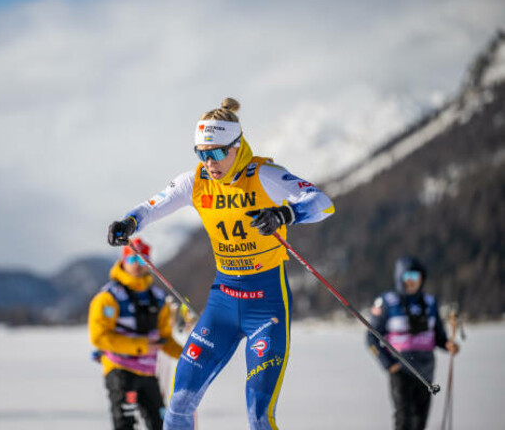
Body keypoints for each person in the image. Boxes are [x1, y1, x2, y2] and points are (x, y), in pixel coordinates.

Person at [107, 98, 335, 430]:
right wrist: (129, 222)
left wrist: (286, 213)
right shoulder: (196, 181)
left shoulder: (264, 175)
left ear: (236, 146)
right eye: (201, 153)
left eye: (215, 153)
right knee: (179, 405)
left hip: (266, 306)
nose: (209, 162)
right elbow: (153, 205)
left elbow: (323, 203)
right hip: (222, 303)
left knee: (259, 415)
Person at [88, 238, 183, 430]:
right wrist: (141, 346)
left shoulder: (158, 298)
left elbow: (165, 339)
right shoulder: (108, 297)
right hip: (120, 369)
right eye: (133, 259)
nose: (138, 265)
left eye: (143, 260)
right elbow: (99, 337)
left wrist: (188, 357)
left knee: (161, 423)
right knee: (125, 424)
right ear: (123, 261)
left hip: (148, 372)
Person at [367, 256, 460, 430]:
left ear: (422, 279)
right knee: (404, 420)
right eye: (406, 276)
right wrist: (388, 363)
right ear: (399, 278)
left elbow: (439, 336)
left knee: (420, 421)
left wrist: (448, 344)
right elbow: (371, 338)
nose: (411, 281)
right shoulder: (387, 302)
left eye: (415, 276)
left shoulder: (430, 303)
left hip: (426, 371)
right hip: (401, 370)